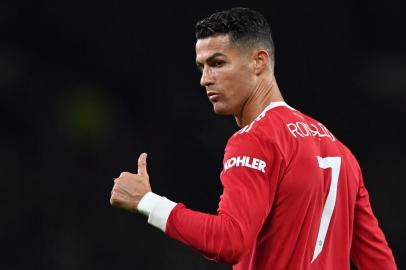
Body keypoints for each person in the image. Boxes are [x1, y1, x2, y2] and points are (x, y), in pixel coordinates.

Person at [110, 7, 397, 270]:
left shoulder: (254, 139)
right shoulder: (340, 150)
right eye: (202, 67)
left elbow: (229, 241)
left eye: (217, 63)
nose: (205, 79)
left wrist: (146, 201)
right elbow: (380, 263)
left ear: (259, 62)